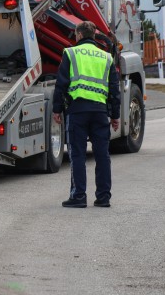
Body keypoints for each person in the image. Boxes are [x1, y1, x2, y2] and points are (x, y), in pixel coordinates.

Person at [52, 21, 120, 208]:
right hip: (99, 112)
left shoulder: (71, 53)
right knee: (102, 156)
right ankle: (104, 197)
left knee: (78, 155)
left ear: (80, 35)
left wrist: (57, 110)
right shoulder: (106, 57)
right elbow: (114, 89)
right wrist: (115, 115)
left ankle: (79, 196)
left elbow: (61, 83)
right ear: (94, 36)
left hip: (78, 111)